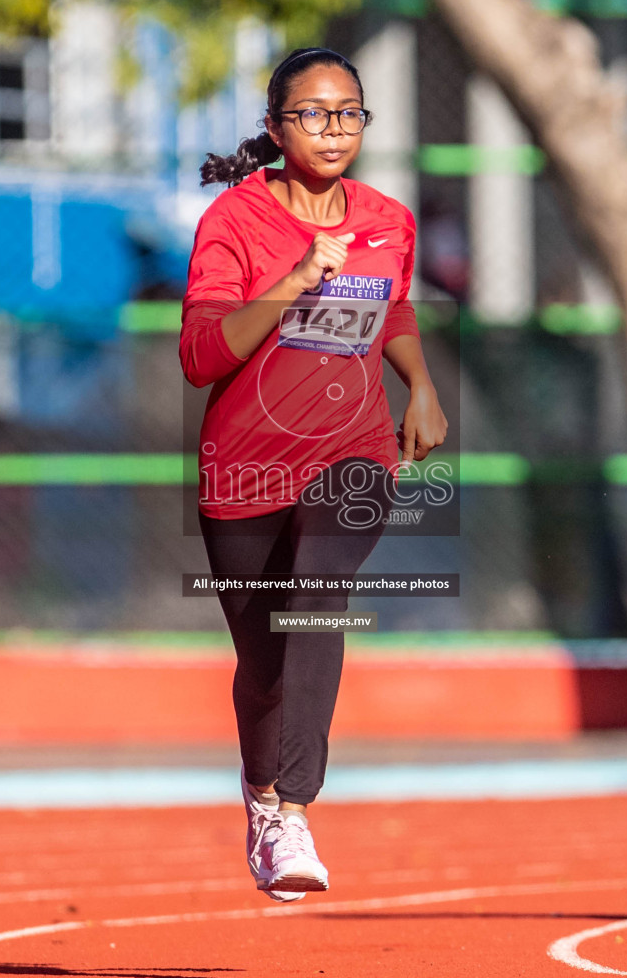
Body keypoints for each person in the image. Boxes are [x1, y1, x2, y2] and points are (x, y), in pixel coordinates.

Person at [181, 47, 447, 901]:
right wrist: (294, 281)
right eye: (314, 114)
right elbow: (198, 356)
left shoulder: (388, 220)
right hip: (246, 469)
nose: (334, 129)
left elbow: (392, 302)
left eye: (349, 113)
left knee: (318, 589)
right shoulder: (233, 222)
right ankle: (262, 800)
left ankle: (295, 804)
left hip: (353, 450)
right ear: (275, 127)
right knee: (262, 666)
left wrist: (422, 384)